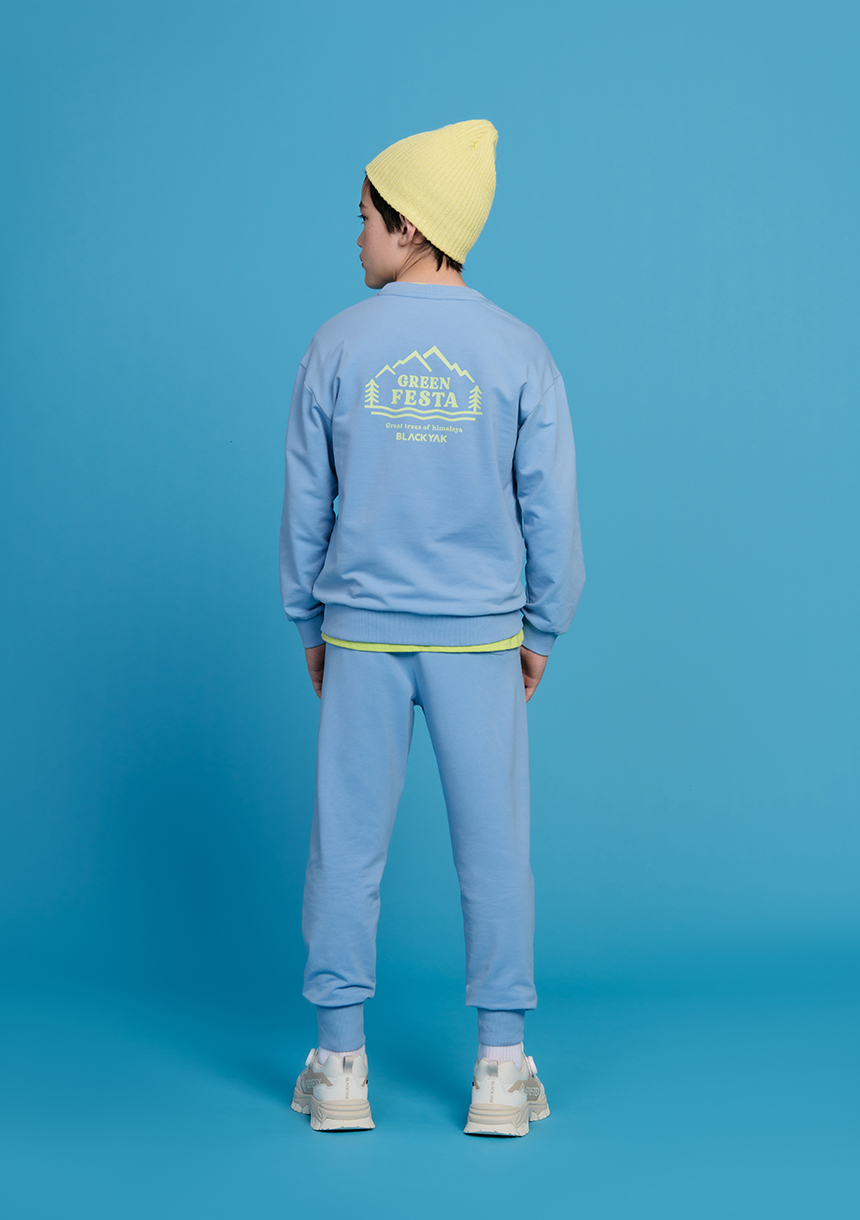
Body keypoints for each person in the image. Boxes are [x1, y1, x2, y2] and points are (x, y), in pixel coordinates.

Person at [279, 119, 584, 1135]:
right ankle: (499, 1070)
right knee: (494, 849)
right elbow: (550, 509)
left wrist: (309, 619)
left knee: (345, 848)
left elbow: (305, 505)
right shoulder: (519, 350)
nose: (356, 235)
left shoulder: (335, 343)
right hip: (479, 638)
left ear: (410, 226)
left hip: (361, 635)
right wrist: (541, 626)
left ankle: (339, 1066)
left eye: (366, 217)